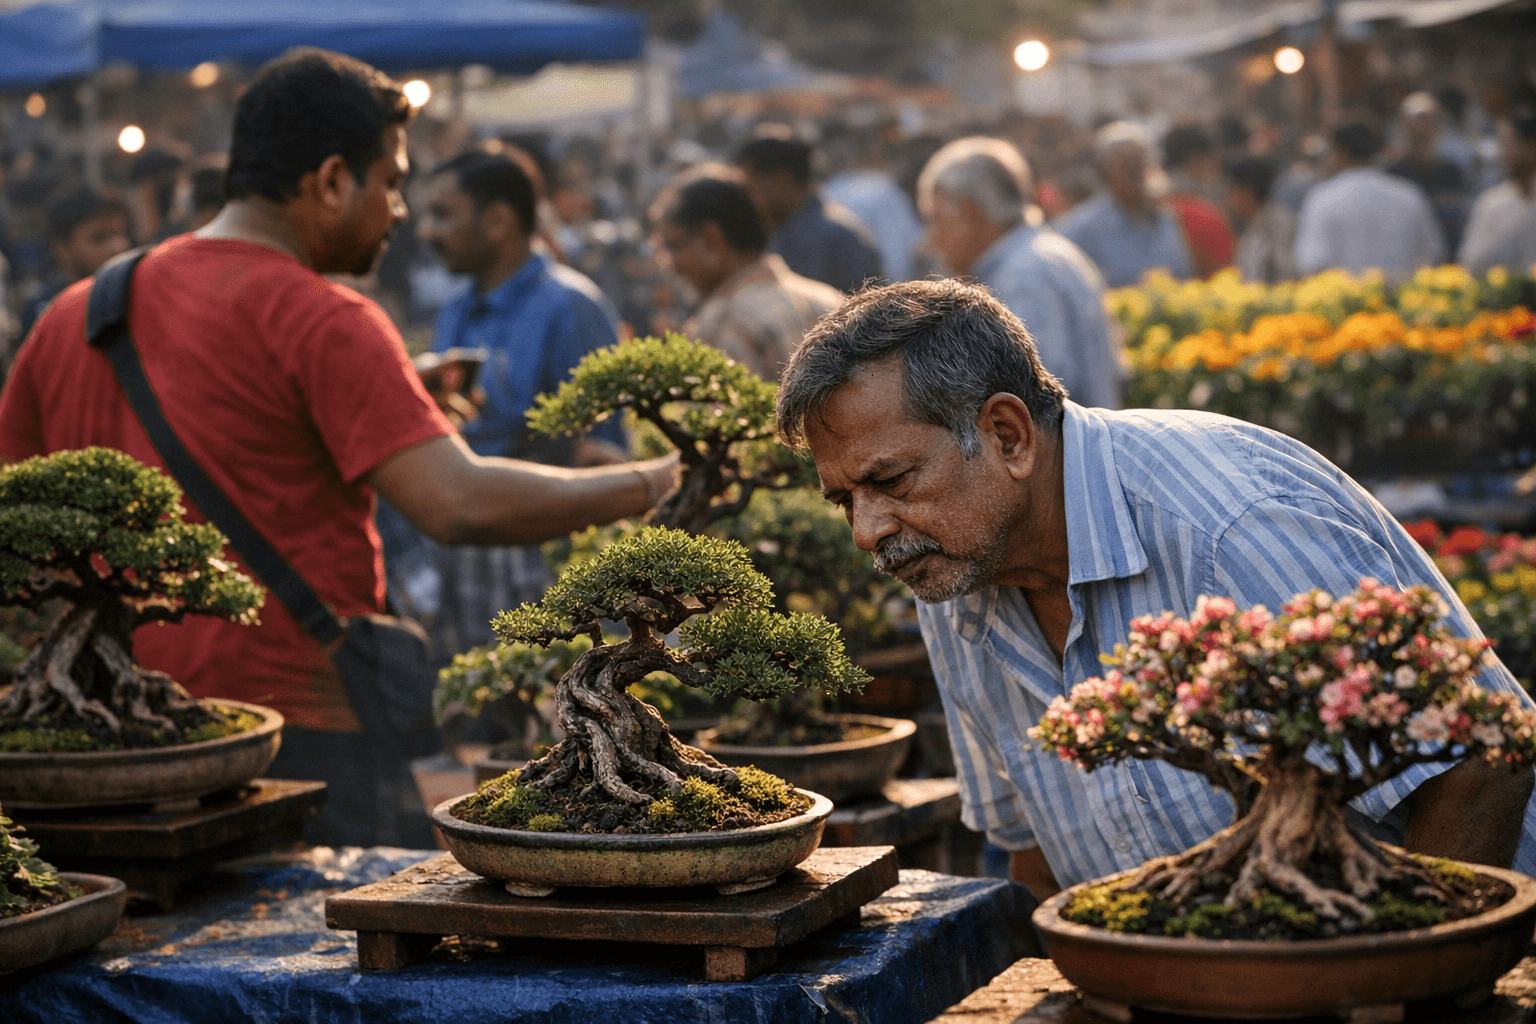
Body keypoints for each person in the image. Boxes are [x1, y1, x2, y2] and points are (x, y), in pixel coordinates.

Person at [0, 48, 677, 848]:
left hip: (100, 732)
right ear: (328, 181)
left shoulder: (80, 311)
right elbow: (457, 502)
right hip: (291, 727)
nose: (399, 211)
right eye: (390, 182)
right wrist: (652, 481)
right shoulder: (325, 319)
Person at [775, 278, 1536, 900]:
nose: (868, 531)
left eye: (889, 480)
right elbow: (1033, 857)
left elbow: (1480, 763)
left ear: (1007, 435)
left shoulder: (1229, 524)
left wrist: (1415, 981)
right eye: (844, 499)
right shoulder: (953, 568)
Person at [408, 146, 628, 655]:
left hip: (544, 548)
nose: (426, 232)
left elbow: (603, 452)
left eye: (442, 213)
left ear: (498, 221)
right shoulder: (457, 308)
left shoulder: (569, 307)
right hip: (470, 541)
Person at [915, 136, 1123, 409]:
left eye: (937, 220)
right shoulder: (1046, 252)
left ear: (971, 214)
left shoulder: (1022, 277)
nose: (931, 241)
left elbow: (1037, 398)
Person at [650, 164, 842, 382]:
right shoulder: (830, 301)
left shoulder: (723, 323)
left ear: (711, 240)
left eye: (675, 246)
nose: (668, 263)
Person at [1294, 120, 1444, 283]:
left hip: (1341, 304)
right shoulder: (1409, 194)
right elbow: (1432, 256)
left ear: (1340, 152)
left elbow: (1311, 263)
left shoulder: (1322, 198)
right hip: (1401, 303)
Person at [734, 129, 883, 293]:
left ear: (782, 179)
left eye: (750, 188)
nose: (745, 198)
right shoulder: (774, 233)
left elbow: (872, 310)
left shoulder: (839, 238)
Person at [1053, 121, 1194, 288]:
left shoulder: (1167, 219)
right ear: (1104, 172)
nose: (1134, 172)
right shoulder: (1080, 228)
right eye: (1125, 165)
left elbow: (1185, 273)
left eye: (1139, 163)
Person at [19, 186, 132, 338]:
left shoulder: (134, 297)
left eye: (122, 233)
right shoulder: (44, 315)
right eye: (100, 238)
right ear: (62, 249)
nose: (119, 246)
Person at [1387, 92, 1473, 256]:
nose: (1420, 127)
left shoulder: (1452, 171)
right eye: (1413, 121)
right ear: (1404, 126)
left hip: (1449, 254)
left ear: (1436, 124)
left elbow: (1461, 216)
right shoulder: (1394, 173)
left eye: (1426, 119)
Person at [1458, 113, 1536, 277]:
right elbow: (1470, 262)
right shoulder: (1491, 203)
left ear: (1531, 146)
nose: (1502, 155)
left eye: (1508, 144)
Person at [1160, 124, 1235, 279]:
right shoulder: (1204, 214)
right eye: (1212, 160)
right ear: (1196, 161)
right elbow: (1227, 276)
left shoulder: (1151, 209)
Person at [1223, 154, 1299, 284]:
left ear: (1244, 192)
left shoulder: (1280, 224)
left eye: (1231, 190)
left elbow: (1287, 274)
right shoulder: (1250, 224)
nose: (1227, 197)